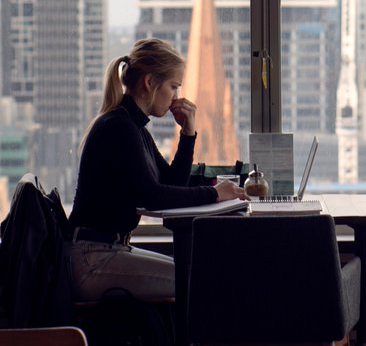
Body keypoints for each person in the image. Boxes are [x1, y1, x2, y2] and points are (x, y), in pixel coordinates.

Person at [68, 37, 247, 302]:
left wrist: (187, 133)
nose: (176, 96)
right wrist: (214, 194)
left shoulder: (133, 126)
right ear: (150, 82)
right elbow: (152, 196)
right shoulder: (119, 128)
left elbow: (172, 181)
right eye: (173, 87)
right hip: (93, 259)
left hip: (108, 251)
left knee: (194, 273)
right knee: (196, 281)